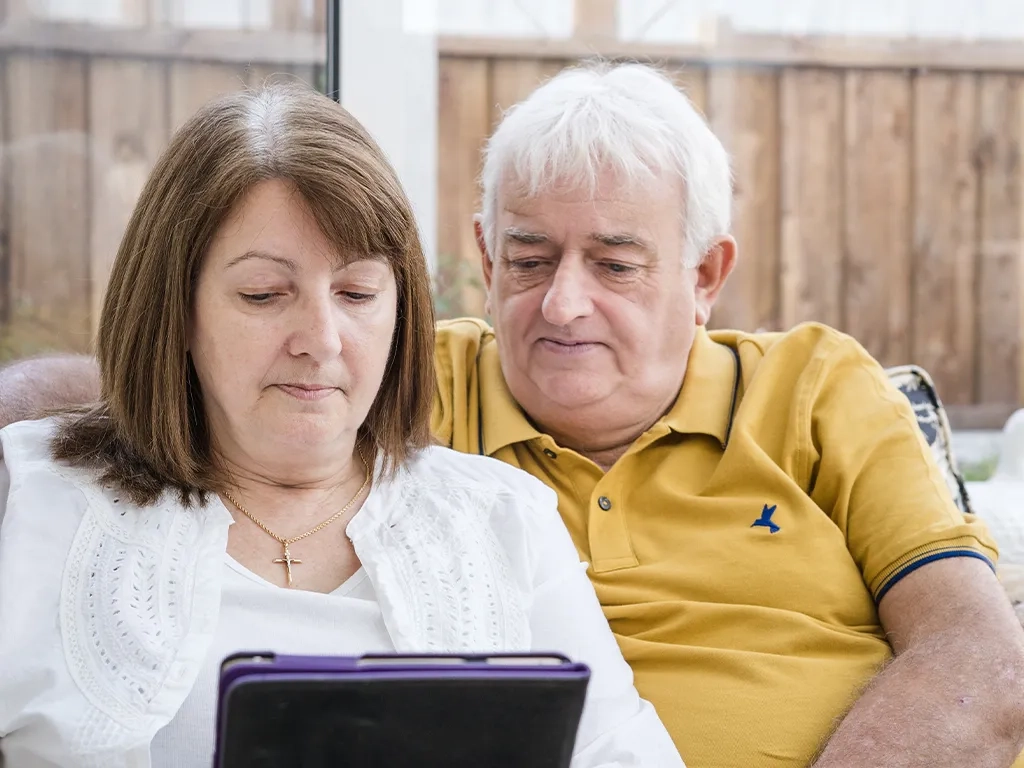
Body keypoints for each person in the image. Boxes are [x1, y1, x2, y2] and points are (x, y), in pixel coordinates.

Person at [4, 63, 1024, 768]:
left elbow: (980, 660)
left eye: (615, 265)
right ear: (487, 259)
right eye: (529, 259)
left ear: (707, 275)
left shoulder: (821, 388)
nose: (564, 305)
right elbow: (183, 387)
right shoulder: (408, 383)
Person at [0, 82, 683, 767]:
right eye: (264, 295)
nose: (321, 340)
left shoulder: (507, 520)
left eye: (357, 293)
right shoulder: (29, 501)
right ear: (176, 308)